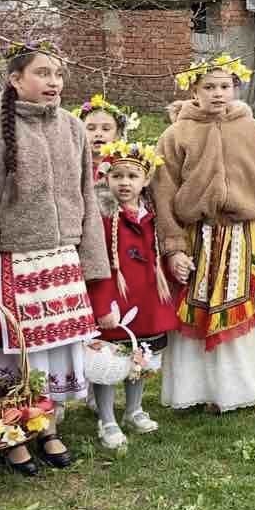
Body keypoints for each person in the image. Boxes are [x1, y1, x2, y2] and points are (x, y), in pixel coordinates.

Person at [0, 43, 110, 476]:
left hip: (62, 261)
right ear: (16, 79)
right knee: (22, 357)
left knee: (56, 351)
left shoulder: (73, 128)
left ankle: (47, 427)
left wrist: (93, 264)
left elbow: (86, 198)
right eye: (43, 73)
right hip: (16, 262)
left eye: (57, 74)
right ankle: (15, 435)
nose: (53, 82)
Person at [153, 52, 255, 413]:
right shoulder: (176, 134)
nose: (218, 93)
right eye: (209, 87)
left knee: (240, 309)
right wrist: (173, 246)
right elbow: (162, 193)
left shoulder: (254, 131)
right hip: (196, 236)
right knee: (195, 310)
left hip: (242, 236)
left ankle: (243, 389)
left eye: (225, 86)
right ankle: (195, 391)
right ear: (193, 91)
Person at [87, 140, 178, 450]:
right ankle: (107, 418)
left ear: (145, 180)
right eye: (117, 176)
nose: (124, 183)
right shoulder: (101, 217)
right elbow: (97, 264)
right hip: (115, 301)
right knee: (108, 360)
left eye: (132, 176)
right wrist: (102, 305)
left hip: (147, 301)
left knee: (142, 354)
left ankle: (133, 409)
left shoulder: (151, 215)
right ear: (106, 178)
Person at [76, 93, 141, 216]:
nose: (98, 134)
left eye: (106, 129)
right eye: (91, 128)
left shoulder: (125, 164)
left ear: (117, 134)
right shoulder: (75, 164)